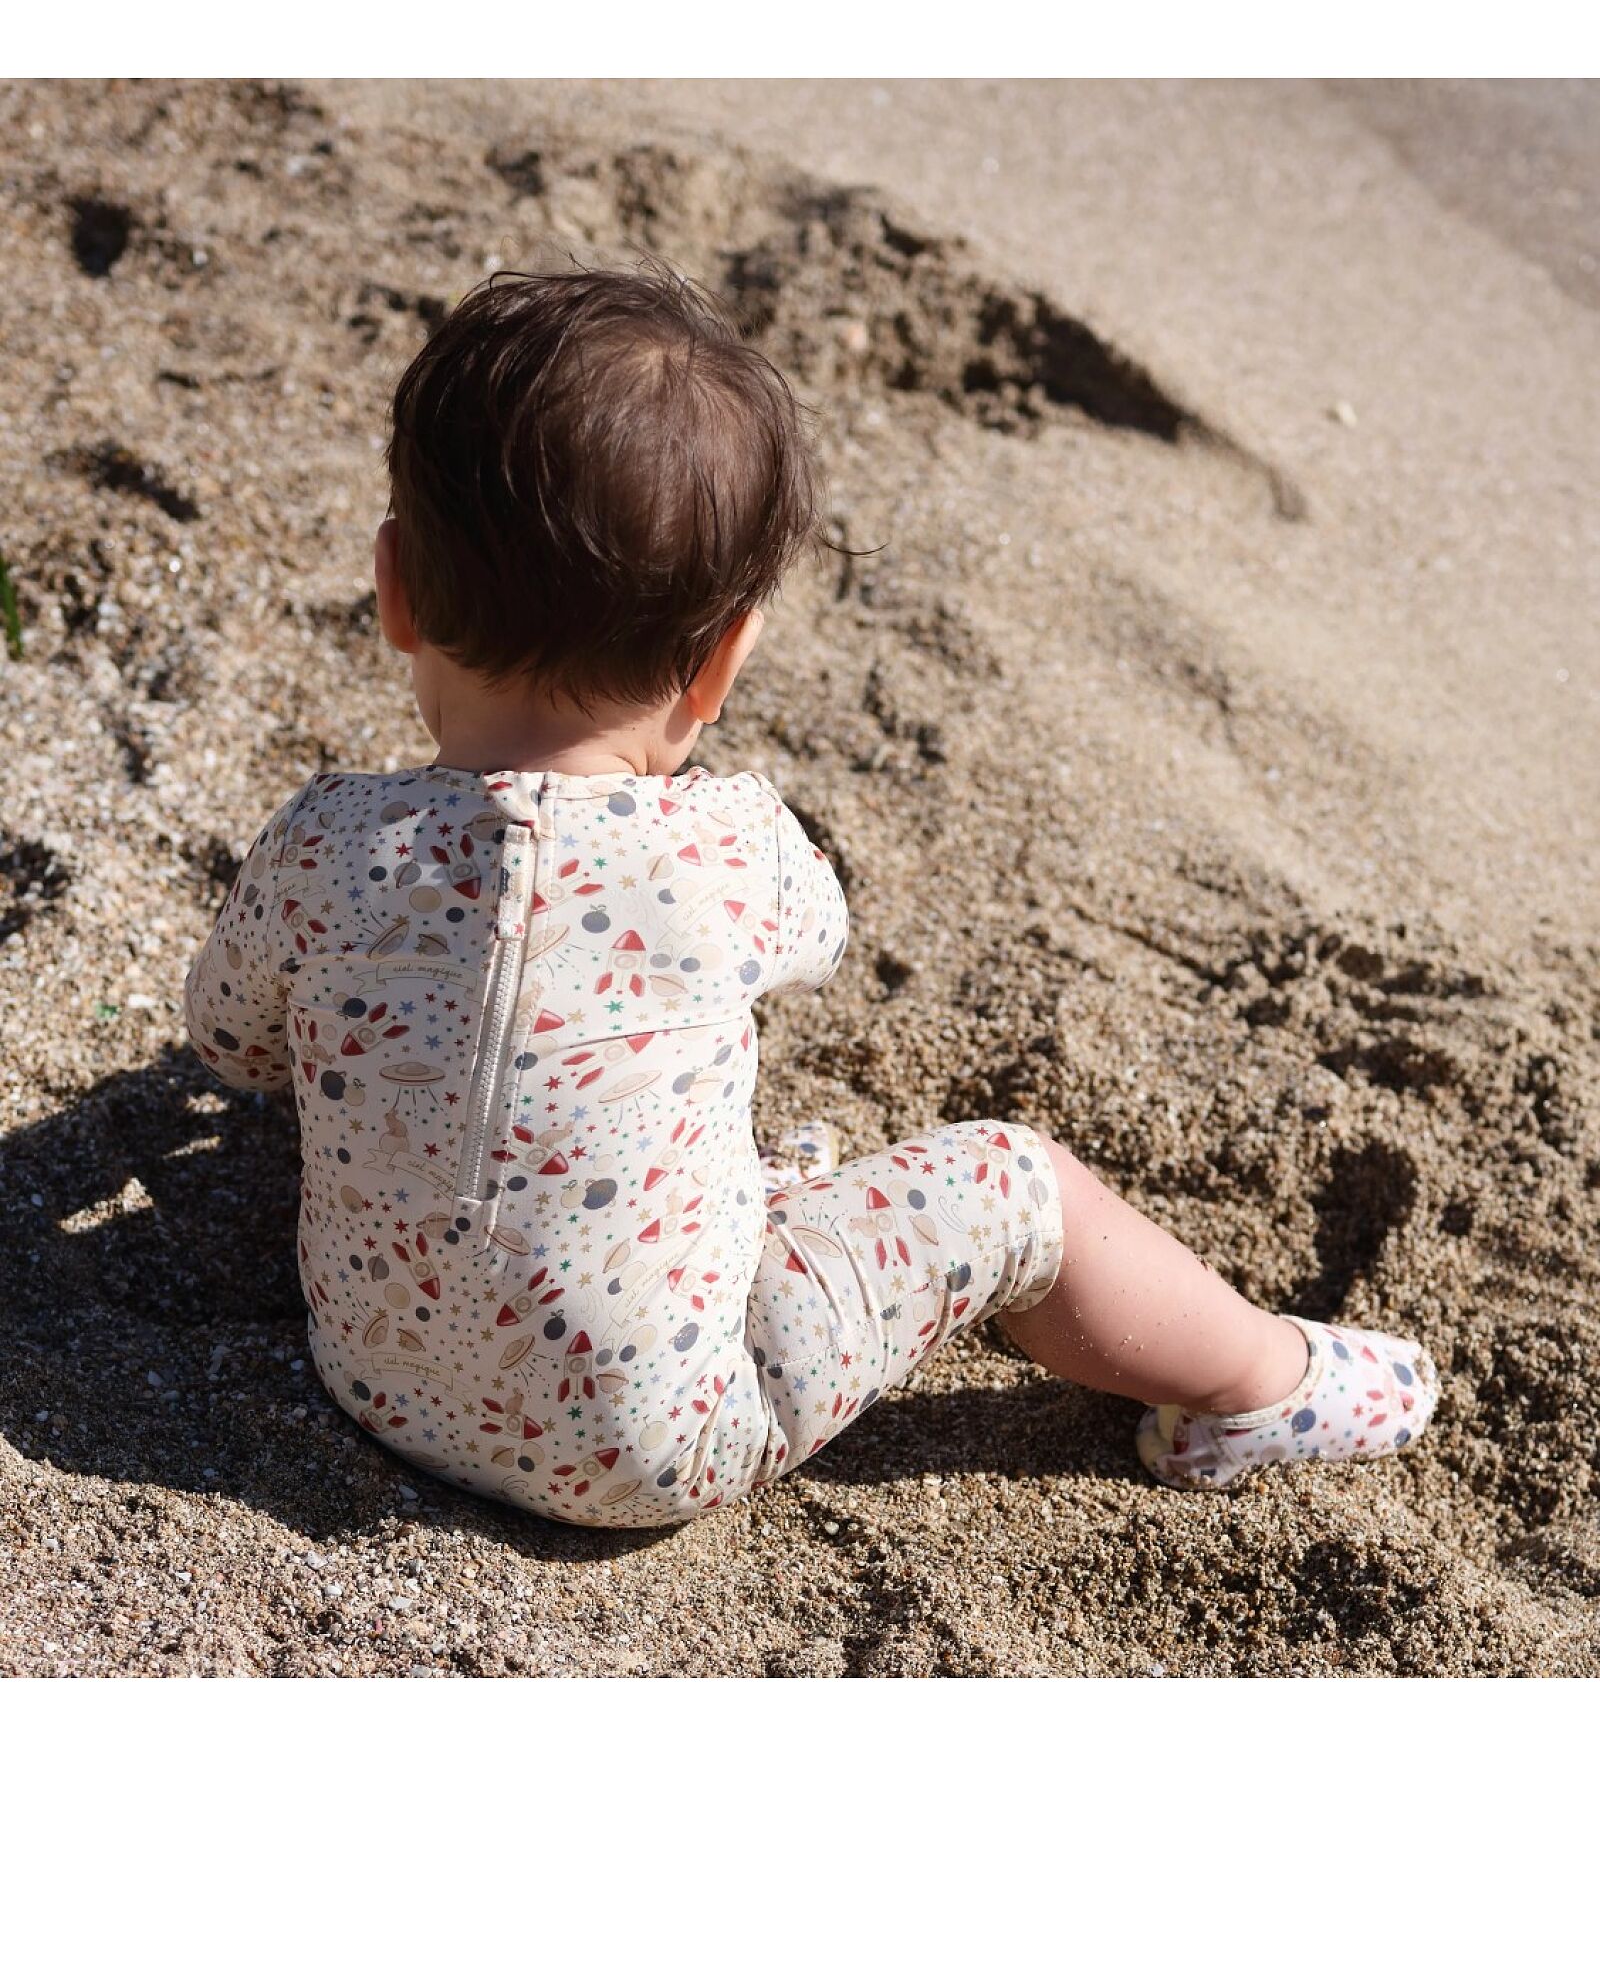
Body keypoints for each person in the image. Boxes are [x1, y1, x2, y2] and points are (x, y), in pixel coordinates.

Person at [184, 263, 1439, 1527]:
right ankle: (1261, 1383)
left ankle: (740, 1206)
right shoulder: (731, 847)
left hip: (374, 1381)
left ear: (394, 588)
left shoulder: (324, 840)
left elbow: (233, 1047)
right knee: (1017, 1183)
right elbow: (817, 939)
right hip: (664, 1445)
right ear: (721, 660)